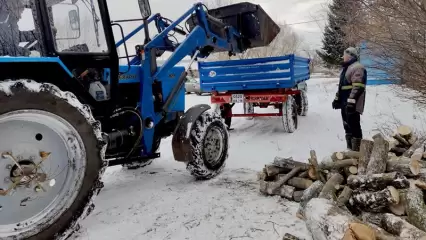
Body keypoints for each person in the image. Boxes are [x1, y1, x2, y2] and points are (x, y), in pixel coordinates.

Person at [332, 47, 367, 151]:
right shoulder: (347, 68)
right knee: (347, 125)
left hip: (353, 103)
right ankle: (350, 149)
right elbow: (342, 87)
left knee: (354, 125)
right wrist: (337, 99)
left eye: (345, 55)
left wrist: (351, 103)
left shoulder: (357, 67)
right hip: (345, 102)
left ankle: (357, 150)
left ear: (351, 55)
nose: (343, 57)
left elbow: (358, 87)